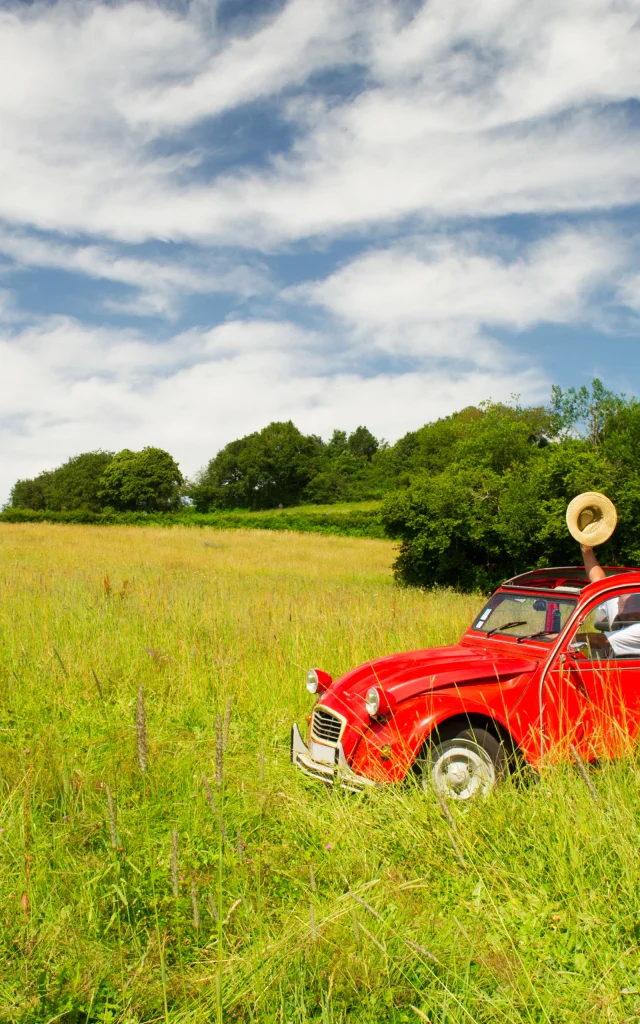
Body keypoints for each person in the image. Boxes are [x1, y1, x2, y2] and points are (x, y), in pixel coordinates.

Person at [581, 545, 640, 657]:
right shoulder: (621, 612)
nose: (622, 609)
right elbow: (598, 581)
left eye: (631, 605)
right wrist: (585, 546)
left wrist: (561, 639)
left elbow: (600, 641)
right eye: (620, 602)